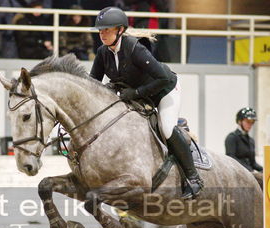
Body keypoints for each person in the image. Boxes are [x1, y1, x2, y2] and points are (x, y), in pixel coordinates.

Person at [90, 7, 203, 199]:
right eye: (100, 31)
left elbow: (163, 78)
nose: (102, 34)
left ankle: (194, 178)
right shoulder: (103, 53)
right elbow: (92, 83)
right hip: (139, 96)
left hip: (165, 90)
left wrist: (135, 92)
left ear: (120, 30)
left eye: (106, 30)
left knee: (166, 127)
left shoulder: (135, 49)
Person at [225, 107, 263, 177]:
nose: (250, 125)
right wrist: (249, 170)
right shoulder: (231, 138)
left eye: (252, 122)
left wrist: (264, 170)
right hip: (236, 174)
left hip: (250, 174)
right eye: (248, 121)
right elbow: (231, 159)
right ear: (240, 121)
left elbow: (253, 163)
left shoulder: (251, 140)